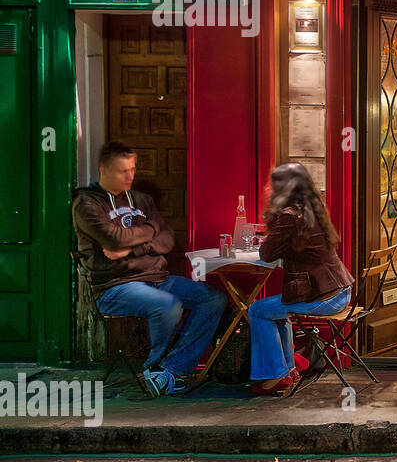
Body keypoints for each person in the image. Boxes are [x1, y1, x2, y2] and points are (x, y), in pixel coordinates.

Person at [72, 141, 226, 397]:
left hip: (157, 279)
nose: (130, 176)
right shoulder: (87, 204)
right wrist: (146, 234)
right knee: (167, 305)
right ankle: (154, 368)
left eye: (132, 169)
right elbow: (113, 239)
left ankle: (171, 370)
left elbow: (167, 239)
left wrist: (132, 247)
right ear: (103, 170)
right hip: (116, 286)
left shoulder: (142, 200)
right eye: (123, 171)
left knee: (213, 299)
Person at [249, 163, 354, 397]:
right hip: (339, 291)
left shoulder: (289, 216)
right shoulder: (312, 210)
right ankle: (287, 370)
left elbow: (266, 254)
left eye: (272, 183)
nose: (267, 187)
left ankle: (277, 374)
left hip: (325, 297)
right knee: (275, 310)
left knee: (258, 309)